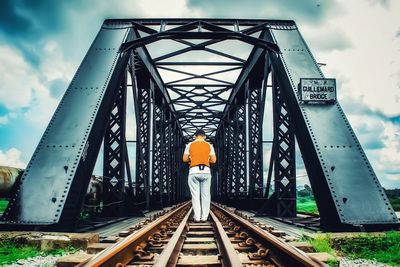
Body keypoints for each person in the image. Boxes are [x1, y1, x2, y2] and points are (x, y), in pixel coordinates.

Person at [183, 129, 216, 222]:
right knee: (206, 195)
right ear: (204, 137)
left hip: (193, 172)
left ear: (195, 136)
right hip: (206, 171)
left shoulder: (190, 145)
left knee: (195, 196)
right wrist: (206, 159)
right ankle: (204, 217)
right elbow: (213, 160)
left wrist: (191, 158)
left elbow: (184, 159)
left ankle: (197, 217)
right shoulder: (209, 145)